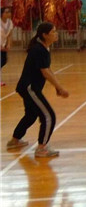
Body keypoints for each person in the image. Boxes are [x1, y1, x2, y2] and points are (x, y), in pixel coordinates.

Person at [7, 22, 69, 157]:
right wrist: (60, 88)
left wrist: (57, 86)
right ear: (45, 35)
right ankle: (42, 148)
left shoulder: (44, 48)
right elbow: (45, 72)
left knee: (31, 115)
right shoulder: (38, 50)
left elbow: (48, 69)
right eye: (53, 32)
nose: (56, 34)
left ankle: (14, 140)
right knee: (49, 116)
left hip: (26, 87)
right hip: (30, 88)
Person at [1, 7, 14, 86]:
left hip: (3, 44)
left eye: (9, 12)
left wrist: (8, 44)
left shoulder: (10, 22)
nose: (8, 14)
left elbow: (9, 34)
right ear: (1, 14)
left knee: (4, 60)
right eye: (6, 12)